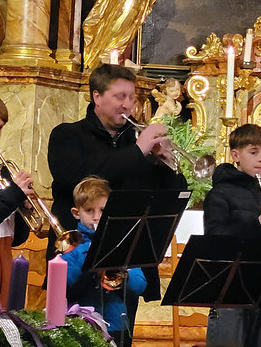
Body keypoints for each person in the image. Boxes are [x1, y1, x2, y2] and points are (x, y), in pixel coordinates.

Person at [47, 64, 187, 338]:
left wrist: (165, 165)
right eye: (119, 96)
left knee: (121, 336)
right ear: (97, 97)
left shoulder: (139, 145)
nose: (128, 104)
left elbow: (169, 198)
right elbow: (74, 177)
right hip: (75, 261)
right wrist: (138, 150)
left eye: (131, 97)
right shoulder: (67, 135)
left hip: (126, 263)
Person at [203, 123, 261, 347]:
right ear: (235, 155)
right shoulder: (219, 193)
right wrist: (257, 223)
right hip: (230, 291)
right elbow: (214, 240)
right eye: (253, 152)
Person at [61, 176, 147, 347]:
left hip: (116, 324)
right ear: (76, 213)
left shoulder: (121, 244)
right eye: (89, 210)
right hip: (81, 324)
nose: (97, 217)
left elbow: (140, 284)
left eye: (103, 210)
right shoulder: (71, 246)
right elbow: (66, 281)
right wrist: (92, 250)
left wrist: (124, 276)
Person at [0, 97, 34, 309]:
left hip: (3, 255)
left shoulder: (3, 172)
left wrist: (23, 208)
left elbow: (17, 239)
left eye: (0, 128)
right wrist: (13, 195)